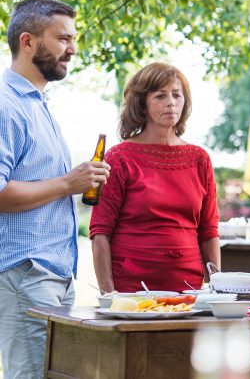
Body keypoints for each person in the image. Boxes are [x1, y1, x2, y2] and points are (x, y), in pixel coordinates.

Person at [0, 0, 110, 378]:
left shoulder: (39, 104)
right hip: (25, 273)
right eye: (63, 38)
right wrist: (68, 182)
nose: (73, 49)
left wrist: (75, 185)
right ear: (27, 41)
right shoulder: (5, 104)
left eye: (74, 38)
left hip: (54, 276)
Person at [89, 63, 221, 293]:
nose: (171, 102)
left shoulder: (200, 159)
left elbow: (209, 230)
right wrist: (108, 295)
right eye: (160, 95)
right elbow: (100, 232)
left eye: (177, 95)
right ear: (142, 103)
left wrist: (218, 288)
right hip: (132, 289)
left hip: (189, 289)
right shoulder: (120, 157)